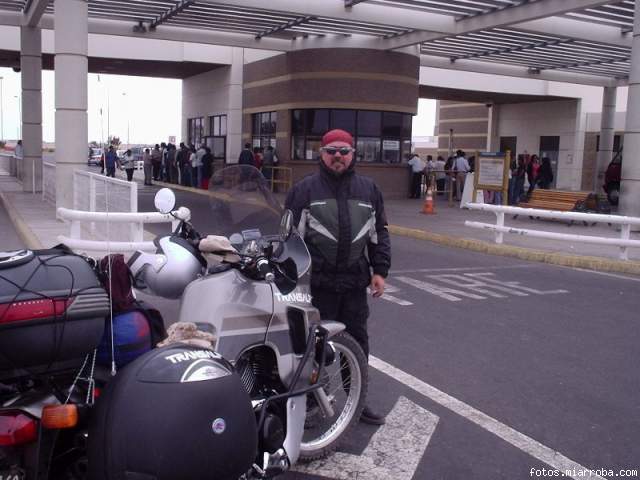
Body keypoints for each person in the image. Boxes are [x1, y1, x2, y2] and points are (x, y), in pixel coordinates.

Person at [285, 129, 391, 426]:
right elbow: (289, 238)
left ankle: (357, 399)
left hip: (354, 284)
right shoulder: (304, 190)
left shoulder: (369, 190)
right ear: (321, 154)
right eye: (332, 151)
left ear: (353, 154)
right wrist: (289, 276)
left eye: (344, 151)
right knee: (314, 346)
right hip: (317, 284)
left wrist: (380, 271)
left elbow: (379, 233)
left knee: (357, 343)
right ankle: (310, 400)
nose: (338, 157)